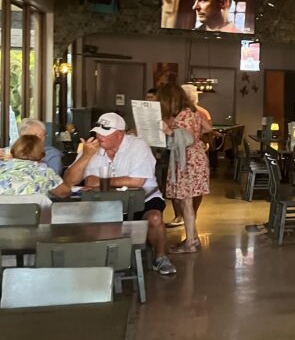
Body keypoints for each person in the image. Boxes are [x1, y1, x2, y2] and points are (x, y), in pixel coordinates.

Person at [62, 112, 176, 276]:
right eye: (97, 132)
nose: (99, 137)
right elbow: (69, 181)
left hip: (142, 199)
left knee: (155, 218)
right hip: (104, 203)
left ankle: (160, 257)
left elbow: (137, 181)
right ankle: (98, 262)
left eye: (105, 133)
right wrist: (85, 156)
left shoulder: (137, 146)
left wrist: (101, 182)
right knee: (83, 222)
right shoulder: (91, 147)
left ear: (119, 135)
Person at [159, 84, 211, 253]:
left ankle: (190, 243)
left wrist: (169, 131)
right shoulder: (192, 112)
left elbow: (186, 139)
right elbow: (208, 128)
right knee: (184, 201)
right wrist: (196, 133)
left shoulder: (183, 115)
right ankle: (193, 238)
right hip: (194, 158)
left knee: (186, 202)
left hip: (187, 161)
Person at [0, 135, 72, 197]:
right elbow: (64, 193)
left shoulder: (2, 167)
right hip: (32, 209)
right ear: (41, 153)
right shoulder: (44, 171)